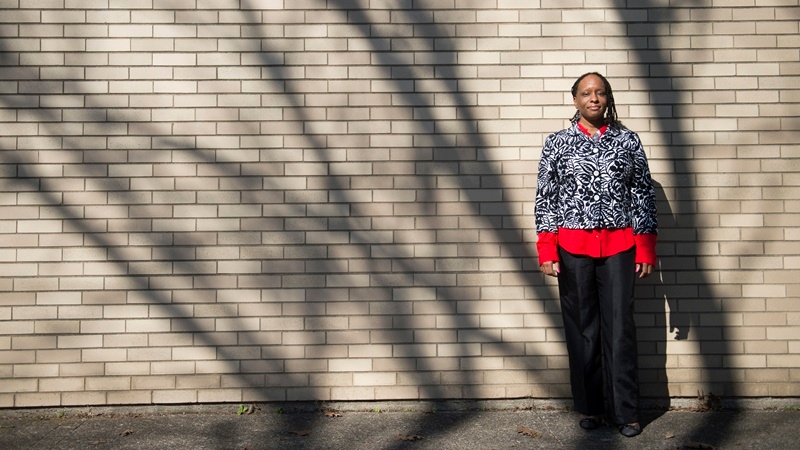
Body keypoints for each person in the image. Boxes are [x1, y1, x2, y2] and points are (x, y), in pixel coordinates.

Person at [534, 72, 658, 438]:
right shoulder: (557, 143)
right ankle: (590, 407)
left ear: (608, 99)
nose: (594, 98)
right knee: (582, 331)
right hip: (573, 249)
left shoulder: (628, 141)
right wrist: (547, 248)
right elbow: (546, 198)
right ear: (575, 101)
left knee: (620, 330)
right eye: (586, 93)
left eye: (600, 92)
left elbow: (642, 196)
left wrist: (646, 246)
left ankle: (627, 412)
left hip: (621, 247)